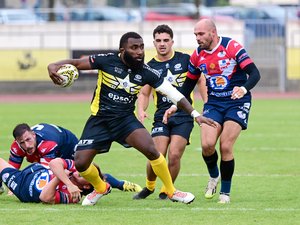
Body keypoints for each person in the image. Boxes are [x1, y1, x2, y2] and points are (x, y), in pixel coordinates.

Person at [47, 31, 218, 206]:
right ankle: (100, 187)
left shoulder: (146, 71)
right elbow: (76, 63)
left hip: (125, 120)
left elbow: (175, 94)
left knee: (152, 150)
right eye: (134, 48)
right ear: (122, 50)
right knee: (81, 163)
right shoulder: (106, 60)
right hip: (100, 119)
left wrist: (195, 115)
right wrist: (53, 65)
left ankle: (171, 190)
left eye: (141, 47)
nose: (139, 52)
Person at [164, 19, 261, 204]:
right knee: (208, 145)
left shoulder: (232, 47)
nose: (197, 38)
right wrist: (176, 104)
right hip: (214, 103)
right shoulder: (197, 55)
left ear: (213, 33)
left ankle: (225, 193)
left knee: (225, 146)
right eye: (195, 35)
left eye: (201, 34)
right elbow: (189, 83)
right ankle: (214, 176)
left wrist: (243, 89)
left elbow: (255, 73)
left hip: (236, 102)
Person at [134, 24, 207, 200]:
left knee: (174, 154)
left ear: (172, 41)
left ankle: (167, 190)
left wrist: (207, 103)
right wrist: (141, 110)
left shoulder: (185, 60)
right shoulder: (149, 67)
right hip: (161, 117)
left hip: (184, 115)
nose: (162, 44)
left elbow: (201, 82)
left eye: (166, 40)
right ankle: (150, 186)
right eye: (158, 40)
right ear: (154, 42)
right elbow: (144, 93)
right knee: (155, 154)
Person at [0, 123, 141, 195]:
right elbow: (12, 170)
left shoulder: (48, 144)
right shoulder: (17, 146)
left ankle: (119, 184)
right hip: (48, 150)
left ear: (34, 135)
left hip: (67, 146)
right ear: (17, 142)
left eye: (28, 140)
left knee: (81, 173)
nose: (26, 145)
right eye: (22, 143)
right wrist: (12, 186)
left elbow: (47, 171)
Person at [0, 157, 94, 204]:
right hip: (36, 169)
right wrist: (68, 183)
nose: (83, 172)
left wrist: (59, 178)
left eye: (86, 175)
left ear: (86, 186)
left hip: (22, 184)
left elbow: (45, 197)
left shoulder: (74, 196)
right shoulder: (76, 167)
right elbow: (53, 163)